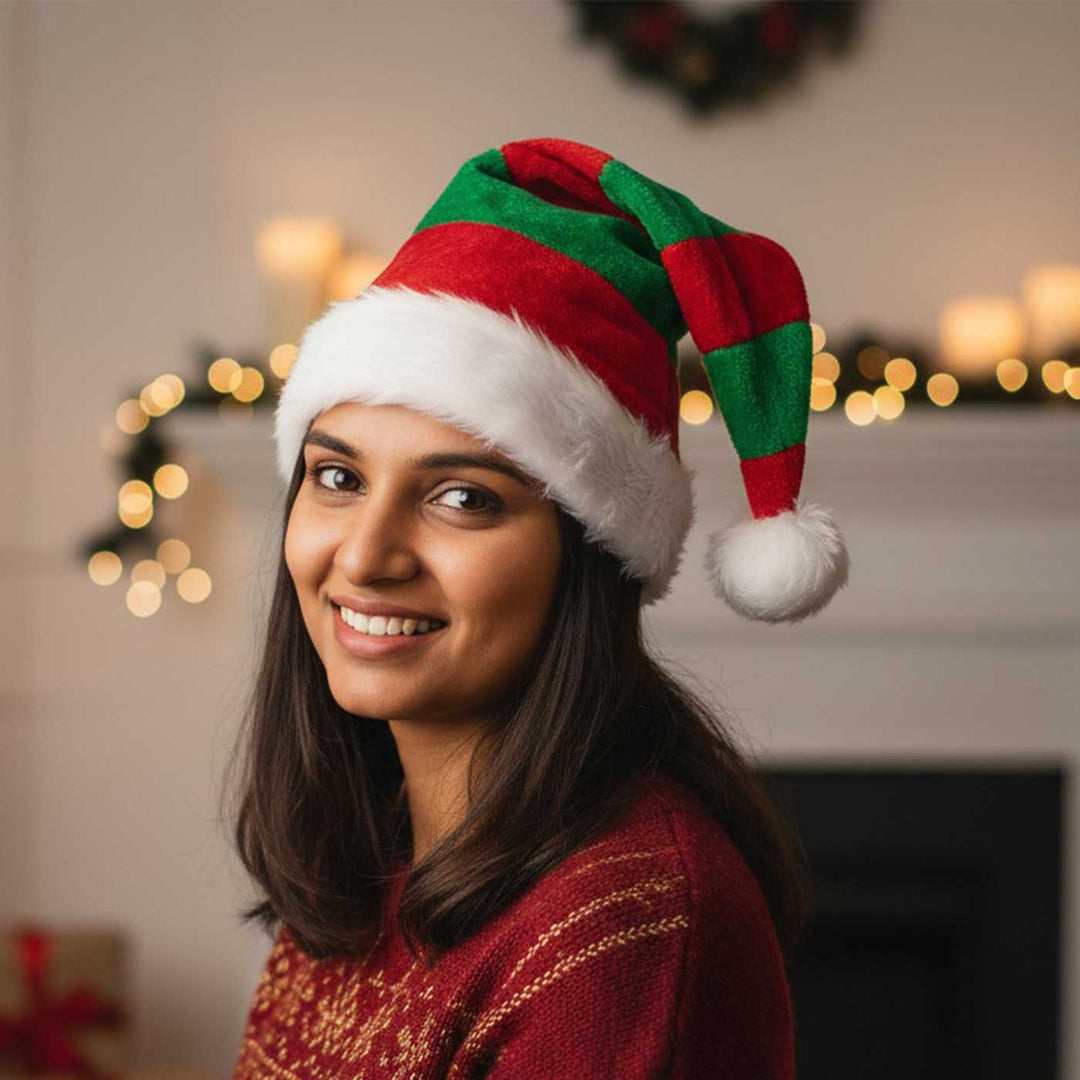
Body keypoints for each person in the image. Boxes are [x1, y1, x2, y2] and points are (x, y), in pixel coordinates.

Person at [225, 136, 850, 1079]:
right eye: (338, 476)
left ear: (588, 555)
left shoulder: (626, 938)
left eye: (463, 497)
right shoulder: (375, 847)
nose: (364, 554)